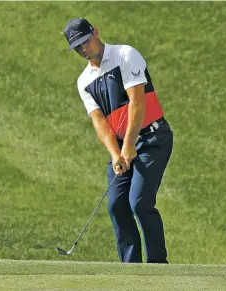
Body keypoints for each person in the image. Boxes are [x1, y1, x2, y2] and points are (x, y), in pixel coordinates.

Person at [63, 18, 173, 263]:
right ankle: (131, 270)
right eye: (77, 47)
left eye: (85, 42)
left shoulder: (125, 55)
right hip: (124, 147)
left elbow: (137, 102)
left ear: (96, 33)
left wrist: (130, 143)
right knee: (116, 205)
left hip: (153, 138)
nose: (83, 49)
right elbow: (99, 121)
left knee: (139, 202)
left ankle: (158, 266)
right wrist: (116, 153)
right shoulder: (84, 82)